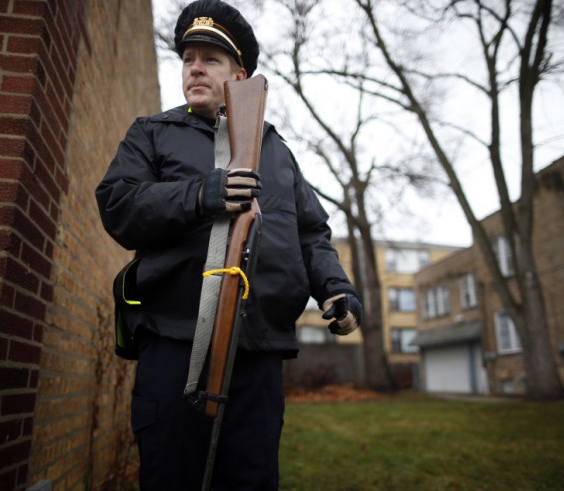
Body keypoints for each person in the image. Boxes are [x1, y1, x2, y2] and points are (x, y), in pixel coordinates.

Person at [95, 0, 363, 489]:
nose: (193, 67)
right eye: (187, 58)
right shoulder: (152, 134)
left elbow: (309, 230)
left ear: (240, 76)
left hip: (260, 352)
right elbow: (119, 205)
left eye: (210, 59)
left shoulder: (277, 152)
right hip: (177, 343)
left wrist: (335, 287)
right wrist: (201, 193)